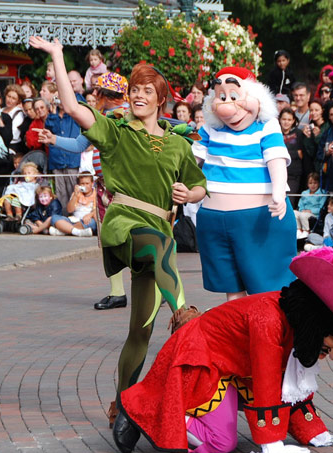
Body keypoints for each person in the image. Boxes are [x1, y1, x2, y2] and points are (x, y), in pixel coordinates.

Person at [111, 247, 333, 453]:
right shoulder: (268, 319)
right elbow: (268, 380)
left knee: (231, 432)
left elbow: (290, 387)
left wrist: (315, 433)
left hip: (232, 369)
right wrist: (271, 443)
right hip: (203, 358)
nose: (329, 355)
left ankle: (160, 410)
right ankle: (143, 408)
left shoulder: (298, 328)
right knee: (222, 442)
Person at [29, 36, 207, 424]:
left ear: (161, 100)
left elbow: (199, 185)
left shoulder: (178, 145)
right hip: (125, 224)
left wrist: (187, 192)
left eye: (147, 91)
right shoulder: (116, 130)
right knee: (158, 245)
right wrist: (58, 56)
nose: (138, 95)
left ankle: (122, 405)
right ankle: (183, 316)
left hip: (159, 234)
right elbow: (73, 107)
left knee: (141, 331)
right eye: (134, 90)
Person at [193, 66, 295, 302]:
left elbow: (276, 160)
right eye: (222, 97)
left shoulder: (266, 126)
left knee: (266, 285)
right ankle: (239, 324)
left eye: (234, 96)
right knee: (232, 285)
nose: (228, 107)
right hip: (214, 219)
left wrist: (278, 193)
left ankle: (268, 324)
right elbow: (190, 161)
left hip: (257, 218)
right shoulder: (210, 129)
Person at [35, 71, 131, 314]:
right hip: (105, 187)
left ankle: (153, 287)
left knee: (131, 238)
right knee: (110, 240)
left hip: (126, 186)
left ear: (106, 95)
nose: (94, 95)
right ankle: (118, 292)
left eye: (98, 91)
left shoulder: (128, 116)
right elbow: (80, 144)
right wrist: (54, 139)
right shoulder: (100, 117)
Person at [45, 98, 82, 209]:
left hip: (72, 159)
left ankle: (76, 215)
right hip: (56, 159)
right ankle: (62, 216)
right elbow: (50, 131)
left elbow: (80, 101)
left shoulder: (74, 115)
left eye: (62, 97)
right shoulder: (52, 116)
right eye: (57, 99)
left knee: (74, 190)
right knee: (60, 193)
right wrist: (53, 114)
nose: (60, 101)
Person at [49, 172, 97, 236]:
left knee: (93, 223)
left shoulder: (96, 194)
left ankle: (64, 231)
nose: (85, 186)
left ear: (92, 183)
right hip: (74, 220)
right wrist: (75, 195)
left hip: (86, 221)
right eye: (82, 184)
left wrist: (90, 215)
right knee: (54, 218)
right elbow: (69, 210)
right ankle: (77, 232)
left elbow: (98, 210)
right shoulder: (76, 193)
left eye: (87, 183)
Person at [279, 108, 303, 204]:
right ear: (280, 119)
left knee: (289, 202)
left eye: (289, 120)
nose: (286, 122)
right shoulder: (275, 133)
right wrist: (294, 153)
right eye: (284, 119)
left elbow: (301, 154)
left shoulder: (298, 133)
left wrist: (282, 154)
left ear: (293, 120)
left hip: (293, 175)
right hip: (277, 173)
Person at [294, 172, 327, 239]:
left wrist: (311, 211)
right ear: (307, 184)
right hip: (303, 211)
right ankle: (299, 229)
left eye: (315, 183)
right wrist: (302, 210)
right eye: (310, 183)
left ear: (319, 183)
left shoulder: (322, 193)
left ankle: (306, 231)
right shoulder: (304, 193)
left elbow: (321, 208)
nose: (313, 185)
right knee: (294, 212)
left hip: (314, 214)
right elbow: (300, 205)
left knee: (303, 215)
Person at [2, 84, 27, 156]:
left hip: (12, 147)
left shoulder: (18, 114)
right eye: (8, 96)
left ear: (18, 101)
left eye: (13, 98)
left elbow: (14, 134)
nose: (10, 100)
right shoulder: (1, 110)